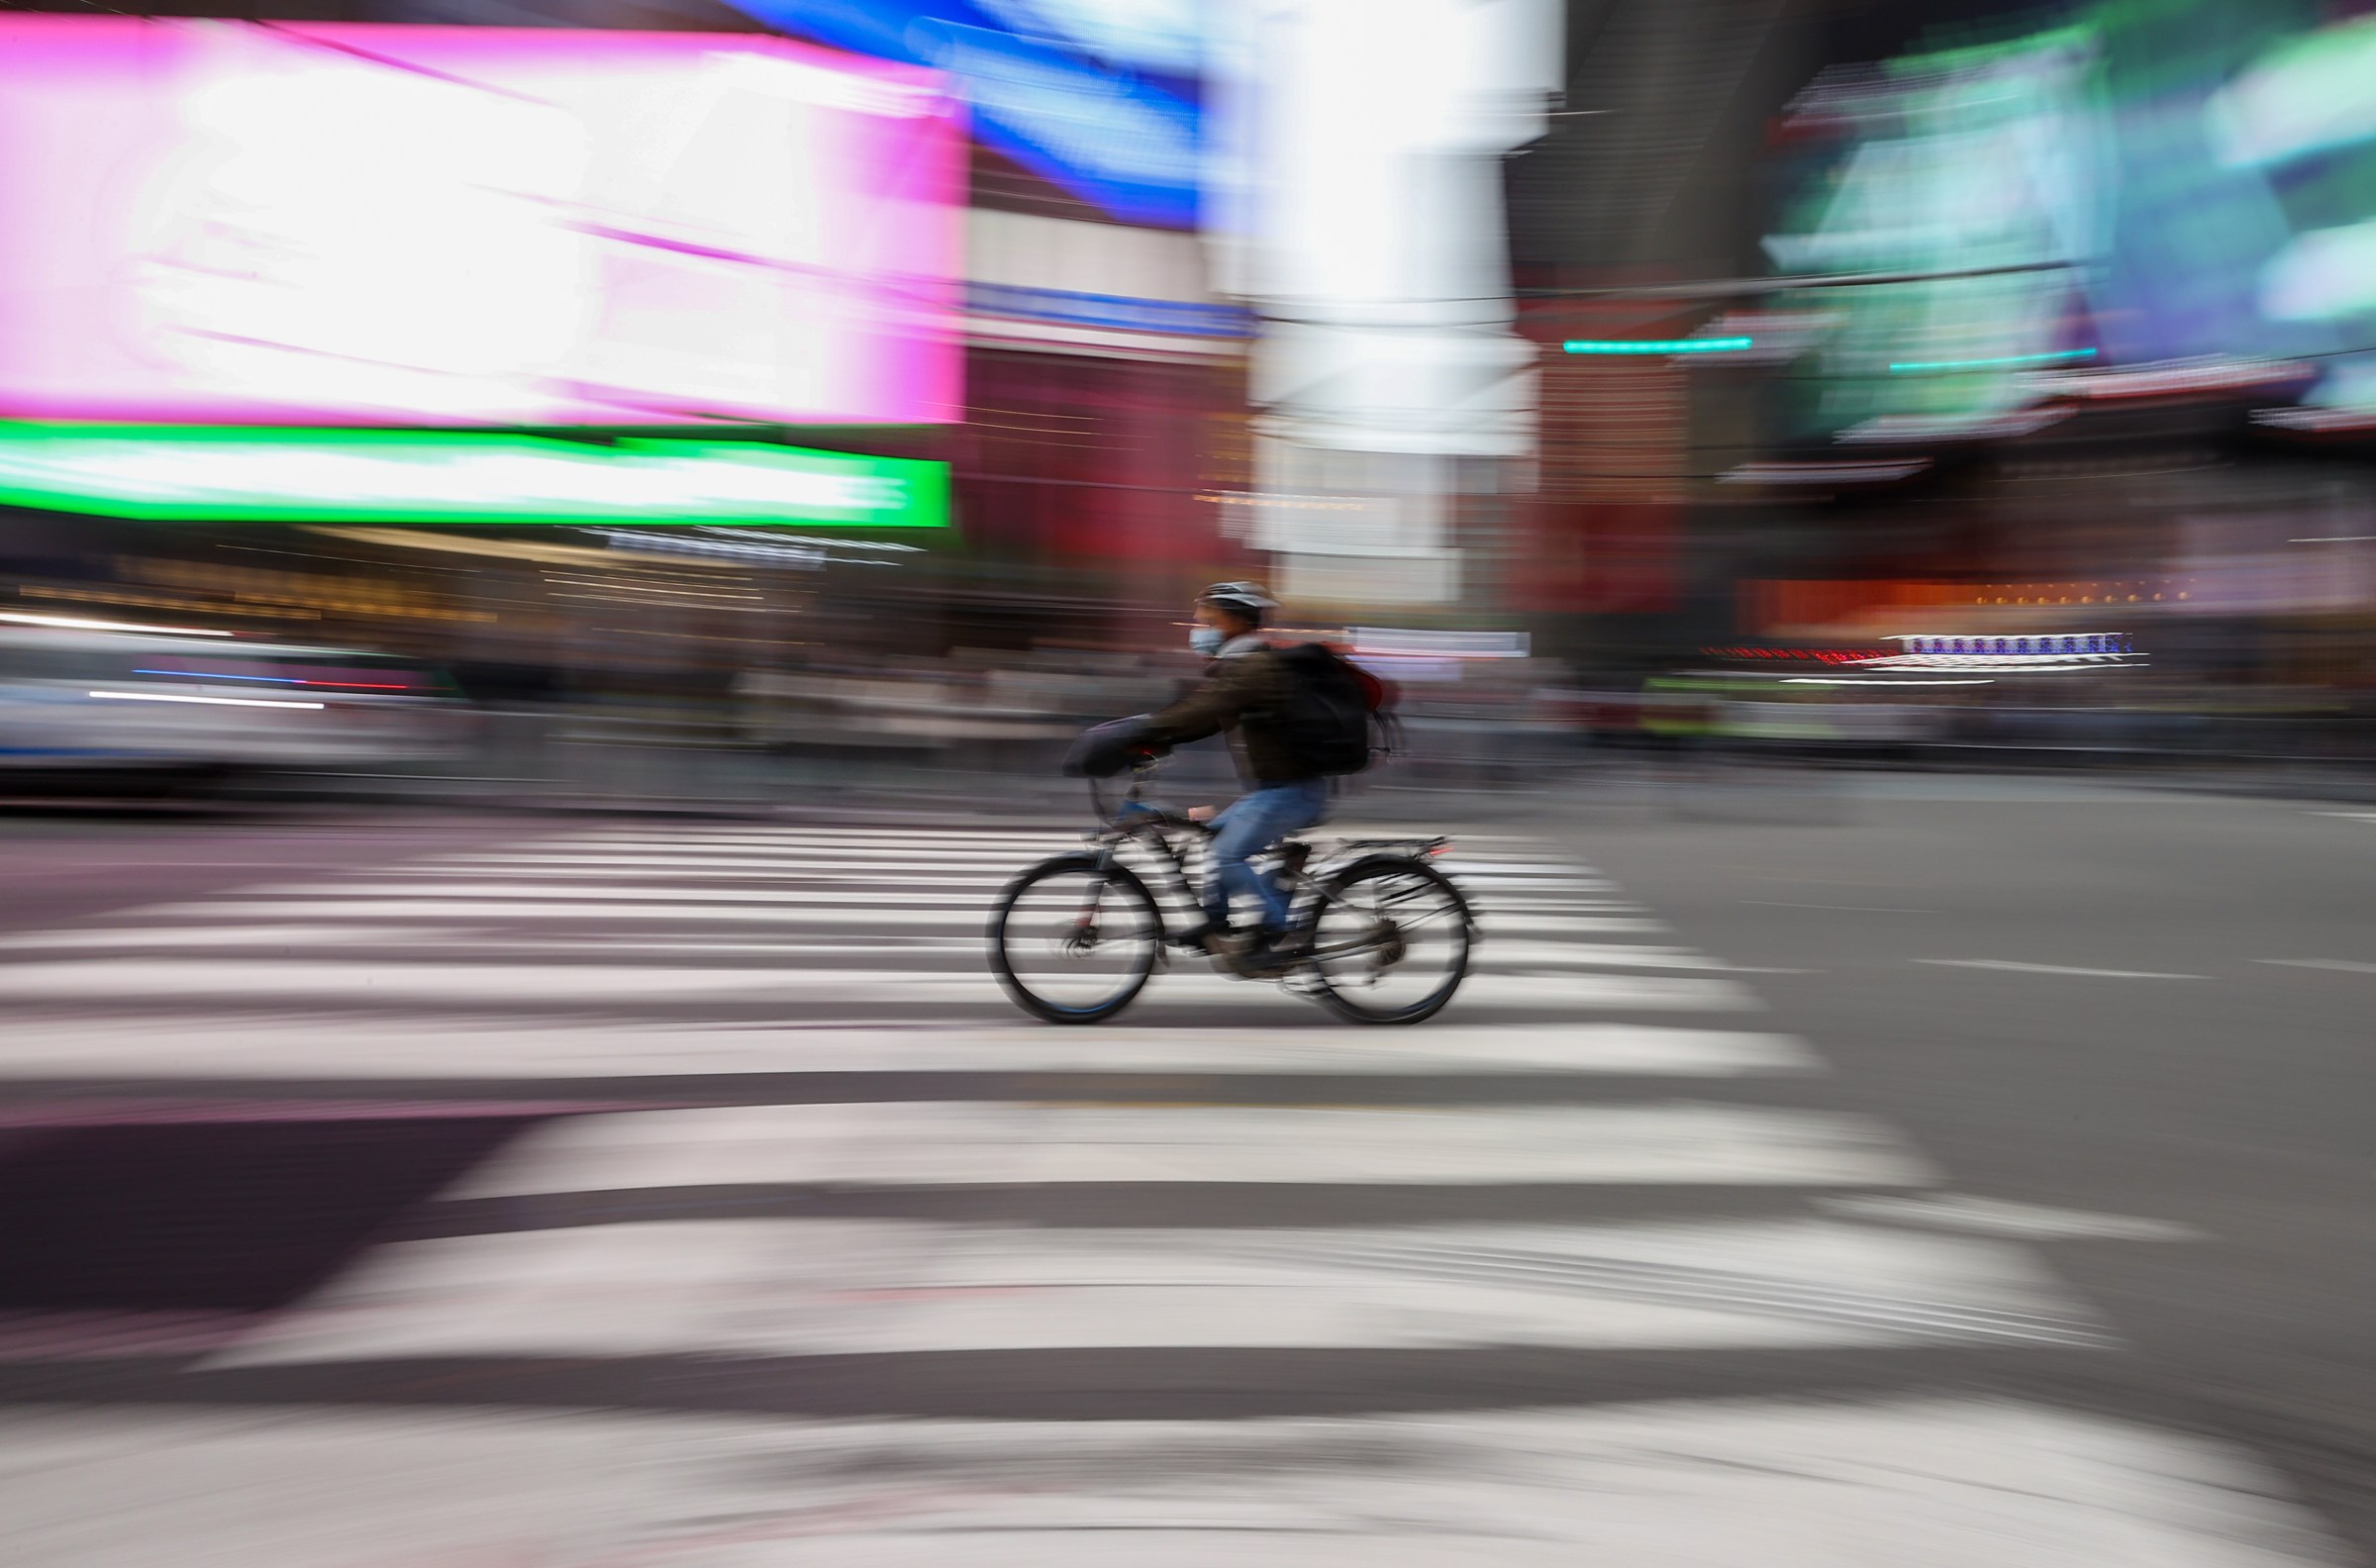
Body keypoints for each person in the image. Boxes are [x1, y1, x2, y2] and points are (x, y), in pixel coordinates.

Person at [1135, 582, 1329, 963]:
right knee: (1215, 838)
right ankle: (1217, 922)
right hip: (1275, 789)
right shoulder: (1243, 665)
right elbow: (1209, 719)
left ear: (1238, 620)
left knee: (1226, 855)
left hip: (1294, 791)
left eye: (1209, 617)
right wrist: (1158, 738)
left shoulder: (1254, 667)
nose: (1199, 624)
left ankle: (1281, 931)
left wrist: (1138, 731)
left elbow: (1206, 709)